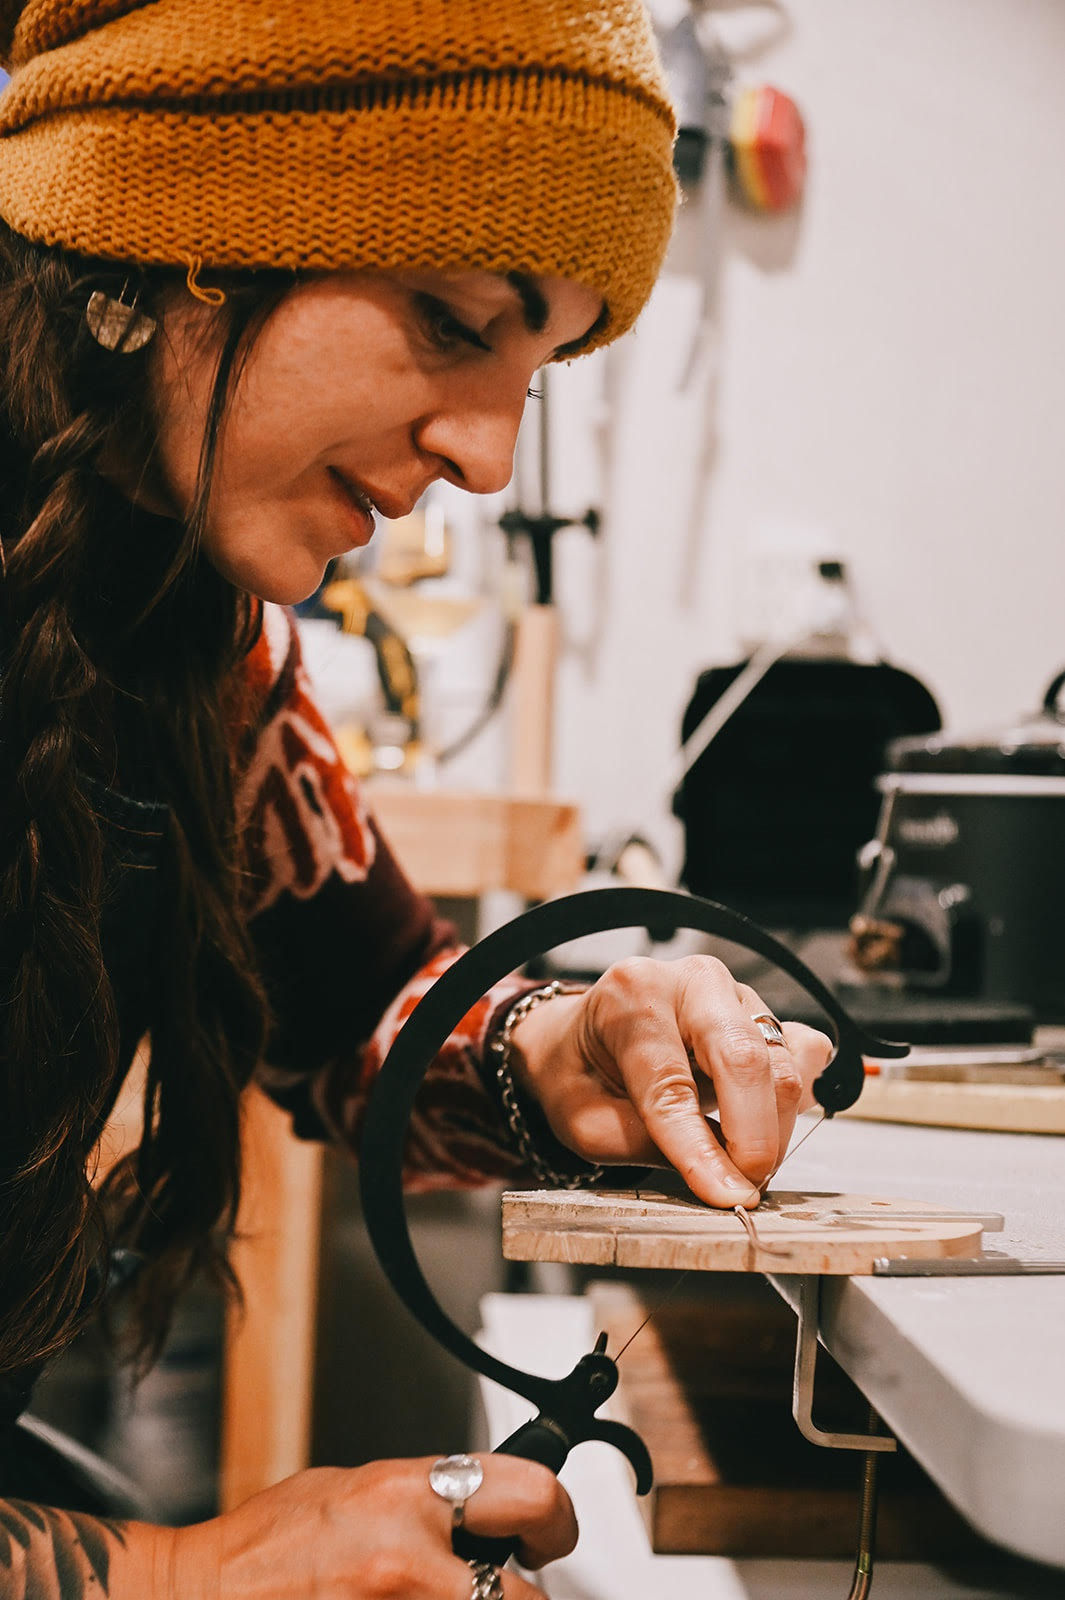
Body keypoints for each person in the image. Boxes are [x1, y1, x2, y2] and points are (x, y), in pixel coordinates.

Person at [0, 1, 832, 1595]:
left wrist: (562, 1054)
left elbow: (357, 1012)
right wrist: (172, 1577)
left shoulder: (194, 628)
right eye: (454, 321)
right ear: (181, 226)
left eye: (539, 371)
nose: (488, 459)